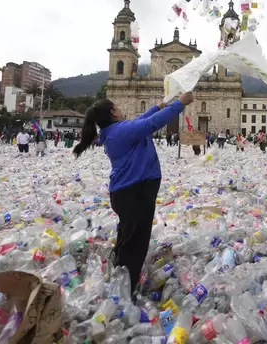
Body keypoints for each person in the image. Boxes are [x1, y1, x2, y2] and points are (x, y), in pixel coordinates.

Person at [73, 92, 195, 293]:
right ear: (113, 112)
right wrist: (179, 104)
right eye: (118, 106)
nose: (121, 109)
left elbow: (141, 120)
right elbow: (150, 124)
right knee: (136, 244)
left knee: (127, 236)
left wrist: (159, 106)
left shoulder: (114, 130)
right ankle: (123, 291)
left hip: (127, 193)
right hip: (134, 193)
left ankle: (118, 271)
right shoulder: (120, 131)